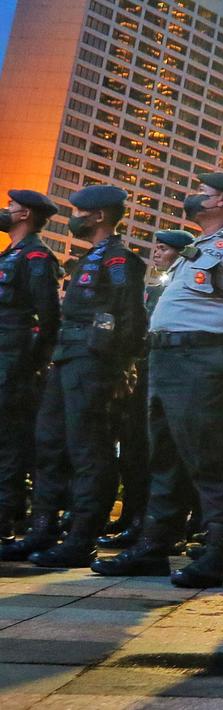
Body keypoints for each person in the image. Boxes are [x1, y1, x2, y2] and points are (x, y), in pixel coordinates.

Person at [92, 172, 223, 587]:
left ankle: (216, 552)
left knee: (209, 456)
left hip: (209, 357)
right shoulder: (196, 250)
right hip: (170, 358)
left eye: (204, 193)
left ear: (222, 201)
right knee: (163, 455)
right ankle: (154, 547)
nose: (194, 197)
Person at [11, 186, 146, 567]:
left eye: (79, 212)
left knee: (88, 449)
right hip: (67, 358)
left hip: (93, 359)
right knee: (49, 442)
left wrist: (123, 364)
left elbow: (132, 319)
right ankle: (42, 530)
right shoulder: (93, 258)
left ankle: (81, 537)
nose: (74, 219)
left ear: (98, 216)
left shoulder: (120, 261)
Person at [99, 228, 195, 551]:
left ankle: (163, 527)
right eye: (156, 247)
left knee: (161, 452)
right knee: (133, 449)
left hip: (169, 374)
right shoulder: (150, 289)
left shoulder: (182, 288)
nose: (157, 253)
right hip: (142, 372)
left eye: (165, 248)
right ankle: (133, 517)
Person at [0, 190, 62, 540]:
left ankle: (6, 518)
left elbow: (50, 318)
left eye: (10, 207)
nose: (4, 211)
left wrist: (29, 364)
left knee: (9, 442)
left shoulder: (36, 257)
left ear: (24, 215)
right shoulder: (10, 254)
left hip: (13, 360)